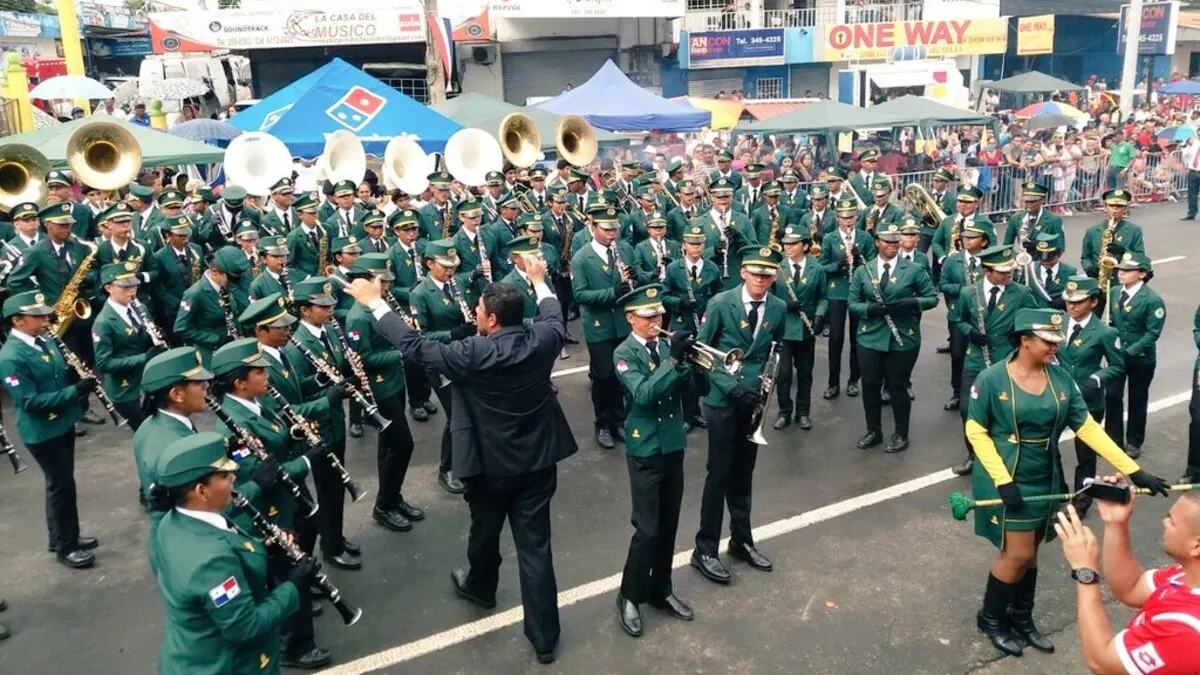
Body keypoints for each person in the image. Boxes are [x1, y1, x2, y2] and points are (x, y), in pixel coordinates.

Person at [340, 253, 576, 664]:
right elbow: (554, 312)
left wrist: (374, 303)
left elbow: (413, 346)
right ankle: (544, 638)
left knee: (484, 533)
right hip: (538, 460)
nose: (478, 316)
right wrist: (539, 280)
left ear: (491, 321)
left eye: (482, 311)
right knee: (536, 548)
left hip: (489, 467)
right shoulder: (544, 340)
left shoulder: (471, 353)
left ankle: (481, 587)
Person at [964, 307, 1165, 657]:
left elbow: (1086, 427)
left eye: (1058, 339)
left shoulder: (1060, 379)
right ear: (1024, 340)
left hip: (1045, 473)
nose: (1056, 345)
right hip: (1006, 475)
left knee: (1033, 551)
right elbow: (975, 429)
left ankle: (1022, 618)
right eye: (1048, 340)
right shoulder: (992, 378)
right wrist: (1001, 480)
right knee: (1017, 552)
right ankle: (992, 617)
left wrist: (1132, 469)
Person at [146, 432, 314, 675]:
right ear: (201, 491)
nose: (234, 478)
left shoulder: (170, 523)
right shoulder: (212, 562)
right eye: (224, 475)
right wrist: (293, 586)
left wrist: (263, 549)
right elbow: (245, 626)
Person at [691, 245, 786, 585]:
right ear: (743, 272)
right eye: (756, 272)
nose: (762, 279)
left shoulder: (778, 306)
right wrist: (731, 387)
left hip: (753, 404)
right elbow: (700, 352)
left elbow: (775, 349)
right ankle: (704, 549)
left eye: (768, 274)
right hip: (722, 400)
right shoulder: (720, 303)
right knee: (718, 475)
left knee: (744, 475)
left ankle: (741, 541)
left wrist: (764, 388)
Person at [612, 284, 696, 638]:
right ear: (631, 318)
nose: (655, 321)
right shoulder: (623, 353)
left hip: (672, 444)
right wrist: (674, 361)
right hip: (645, 448)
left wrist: (693, 365)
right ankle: (629, 595)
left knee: (670, 524)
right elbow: (644, 394)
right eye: (648, 316)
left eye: (658, 314)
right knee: (647, 529)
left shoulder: (665, 346)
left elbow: (693, 391)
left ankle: (661, 589)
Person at [1055, 478, 1200, 675]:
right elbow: (1131, 588)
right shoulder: (1187, 573)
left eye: (1172, 521)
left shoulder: (1187, 632)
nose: (1164, 522)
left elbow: (1102, 663)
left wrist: (1085, 571)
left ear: (1197, 546)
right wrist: (1115, 523)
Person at [344, 254, 424, 533]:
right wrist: (401, 352)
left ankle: (393, 497)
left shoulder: (378, 307)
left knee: (390, 447)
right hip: (380, 388)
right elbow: (362, 359)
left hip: (394, 382)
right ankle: (384, 505)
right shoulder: (358, 316)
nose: (386, 287)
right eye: (381, 282)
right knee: (402, 445)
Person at [282, 277, 358, 570]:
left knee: (337, 485)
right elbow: (299, 390)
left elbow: (338, 364)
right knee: (329, 488)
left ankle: (335, 536)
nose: (329, 310)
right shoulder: (296, 344)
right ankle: (331, 548)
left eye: (329, 305)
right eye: (322, 306)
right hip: (319, 424)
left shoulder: (329, 331)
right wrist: (326, 384)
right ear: (304, 310)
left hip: (335, 419)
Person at [951, 245, 1042, 476]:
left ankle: (1005, 455)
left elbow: (1034, 321)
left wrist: (1019, 335)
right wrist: (970, 332)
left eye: (1010, 270)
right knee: (968, 409)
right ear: (987, 271)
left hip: (1005, 359)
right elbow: (958, 319)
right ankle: (973, 455)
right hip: (976, 360)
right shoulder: (968, 293)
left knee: (1005, 409)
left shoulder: (1020, 293)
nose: (1008, 275)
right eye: (1002, 271)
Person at [849, 223, 938, 452]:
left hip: (903, 338)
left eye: (895, 241)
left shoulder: (914, 269)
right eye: (887, 241)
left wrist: (911, 303)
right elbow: (853, 303)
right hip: (870, 337)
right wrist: (870, 310)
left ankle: (901, 433)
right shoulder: (863, 270)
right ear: (877, 242)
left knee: (897, 386)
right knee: (869, 385)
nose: (892, 245)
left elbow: (932, 298)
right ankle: (873, 430)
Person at [409, 239, 476, 492]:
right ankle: (446, 468)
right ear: (429, 264)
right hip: (440, 360)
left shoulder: (455, 284)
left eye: (453, 266)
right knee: (455, 414)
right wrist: (453, 333)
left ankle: (469, 458)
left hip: (463, 353)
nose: (450, 271)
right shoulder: (420, 293)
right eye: (445, 267)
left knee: (469, 409)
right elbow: (421, 336)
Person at [1057, 276, 1125, 519]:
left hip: (1088, 400)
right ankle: (1058, 494)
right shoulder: (1058, 322)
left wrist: (1097, 378)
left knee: (1085, 454)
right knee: (1047, 446)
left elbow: (1118, 365)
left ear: (1093, 302)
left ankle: (1082, 498)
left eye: (1078, 302)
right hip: (1057, 396)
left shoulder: (1105, 332)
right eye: (1068, 302)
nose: (1071, 307)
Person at [572, 206, 639, 449]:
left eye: (615, 229)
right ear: (593, 227)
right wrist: (611, 292)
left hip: (623, 322)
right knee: (603, 376)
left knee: (622, 374)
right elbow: (579, 294)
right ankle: (603, 424)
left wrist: (636, 277)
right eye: (607, 229)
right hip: (599, 326)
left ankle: (619, 420)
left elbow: (638, 273)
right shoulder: (582, 257)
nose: (612, 234)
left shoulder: (625, 250)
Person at [132, 346, 211, 513]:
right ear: (177, 395)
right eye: (198, 383)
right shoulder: (178, 448)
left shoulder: (151, 425)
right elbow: (204, 506)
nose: (206, 386)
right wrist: (255, 485)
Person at [1103, 252, 1165, 460]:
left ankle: (1135, 441)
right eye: (1121, 269)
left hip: (1141, 358)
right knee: (1112, 397)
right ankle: (1113, 439)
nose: (1121, 273)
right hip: (1116, 357)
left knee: (1137, 399)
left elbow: (1152, 333)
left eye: (1127, 271)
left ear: (1142, 274)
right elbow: (1111, 322)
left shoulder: (1152, 300)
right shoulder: (1114, 291)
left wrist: (1128, 350)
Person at [92, 262, 164, 429]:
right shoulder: (103, 322)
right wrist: (144, 358)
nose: (132, 291)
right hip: (128, 389)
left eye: (134, 286)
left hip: (149, 380)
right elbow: (104, 364)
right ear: (109, 288)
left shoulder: (141, 308)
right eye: (125, 287)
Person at [818, 198, 876, 399]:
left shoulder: (865, 238)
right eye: (843, 218)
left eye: (851, 217)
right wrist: (837, 264)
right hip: (837, 292)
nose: (847, 222)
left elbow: (873, 266)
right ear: (837, 218)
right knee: (835, 338)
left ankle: (853, 380)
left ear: (857, 217)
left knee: (856, 337)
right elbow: (821, 266)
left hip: (858, 292)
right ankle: (833, 383)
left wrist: (861, 260)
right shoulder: (829, 238)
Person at [771, 226, 826, 431]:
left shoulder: (817, 269)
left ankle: (803, 412)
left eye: (793, 244)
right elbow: (770, 298)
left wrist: (820, 314)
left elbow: (822, 297)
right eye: (786, 244)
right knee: (783, 374)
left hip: (806, 328)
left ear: (805, 245)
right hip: (784, 329)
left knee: (805, 373)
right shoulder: (778, 268)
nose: (788, 247)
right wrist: (785, 305)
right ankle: (784, 411)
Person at [937, 219, 994, 412]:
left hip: (984, 317)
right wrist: (964, 290)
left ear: (984, 241)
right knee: (958, 354)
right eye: (965, 237)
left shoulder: (990, 259)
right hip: (959, 315)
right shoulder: (953, 259)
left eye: (972, 237)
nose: (966, 240)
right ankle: (957, 392)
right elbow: (942, 284)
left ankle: (986, 392)